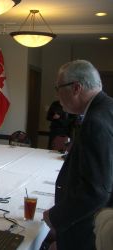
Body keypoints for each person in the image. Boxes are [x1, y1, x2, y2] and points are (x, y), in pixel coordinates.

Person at [42, 60, 113, 250]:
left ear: (76, 88)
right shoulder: (107, 108)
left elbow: (96, 190)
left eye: (58, 88)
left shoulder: (95, 121)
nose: (57, 94)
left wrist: (56, 216)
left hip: (89, 230)